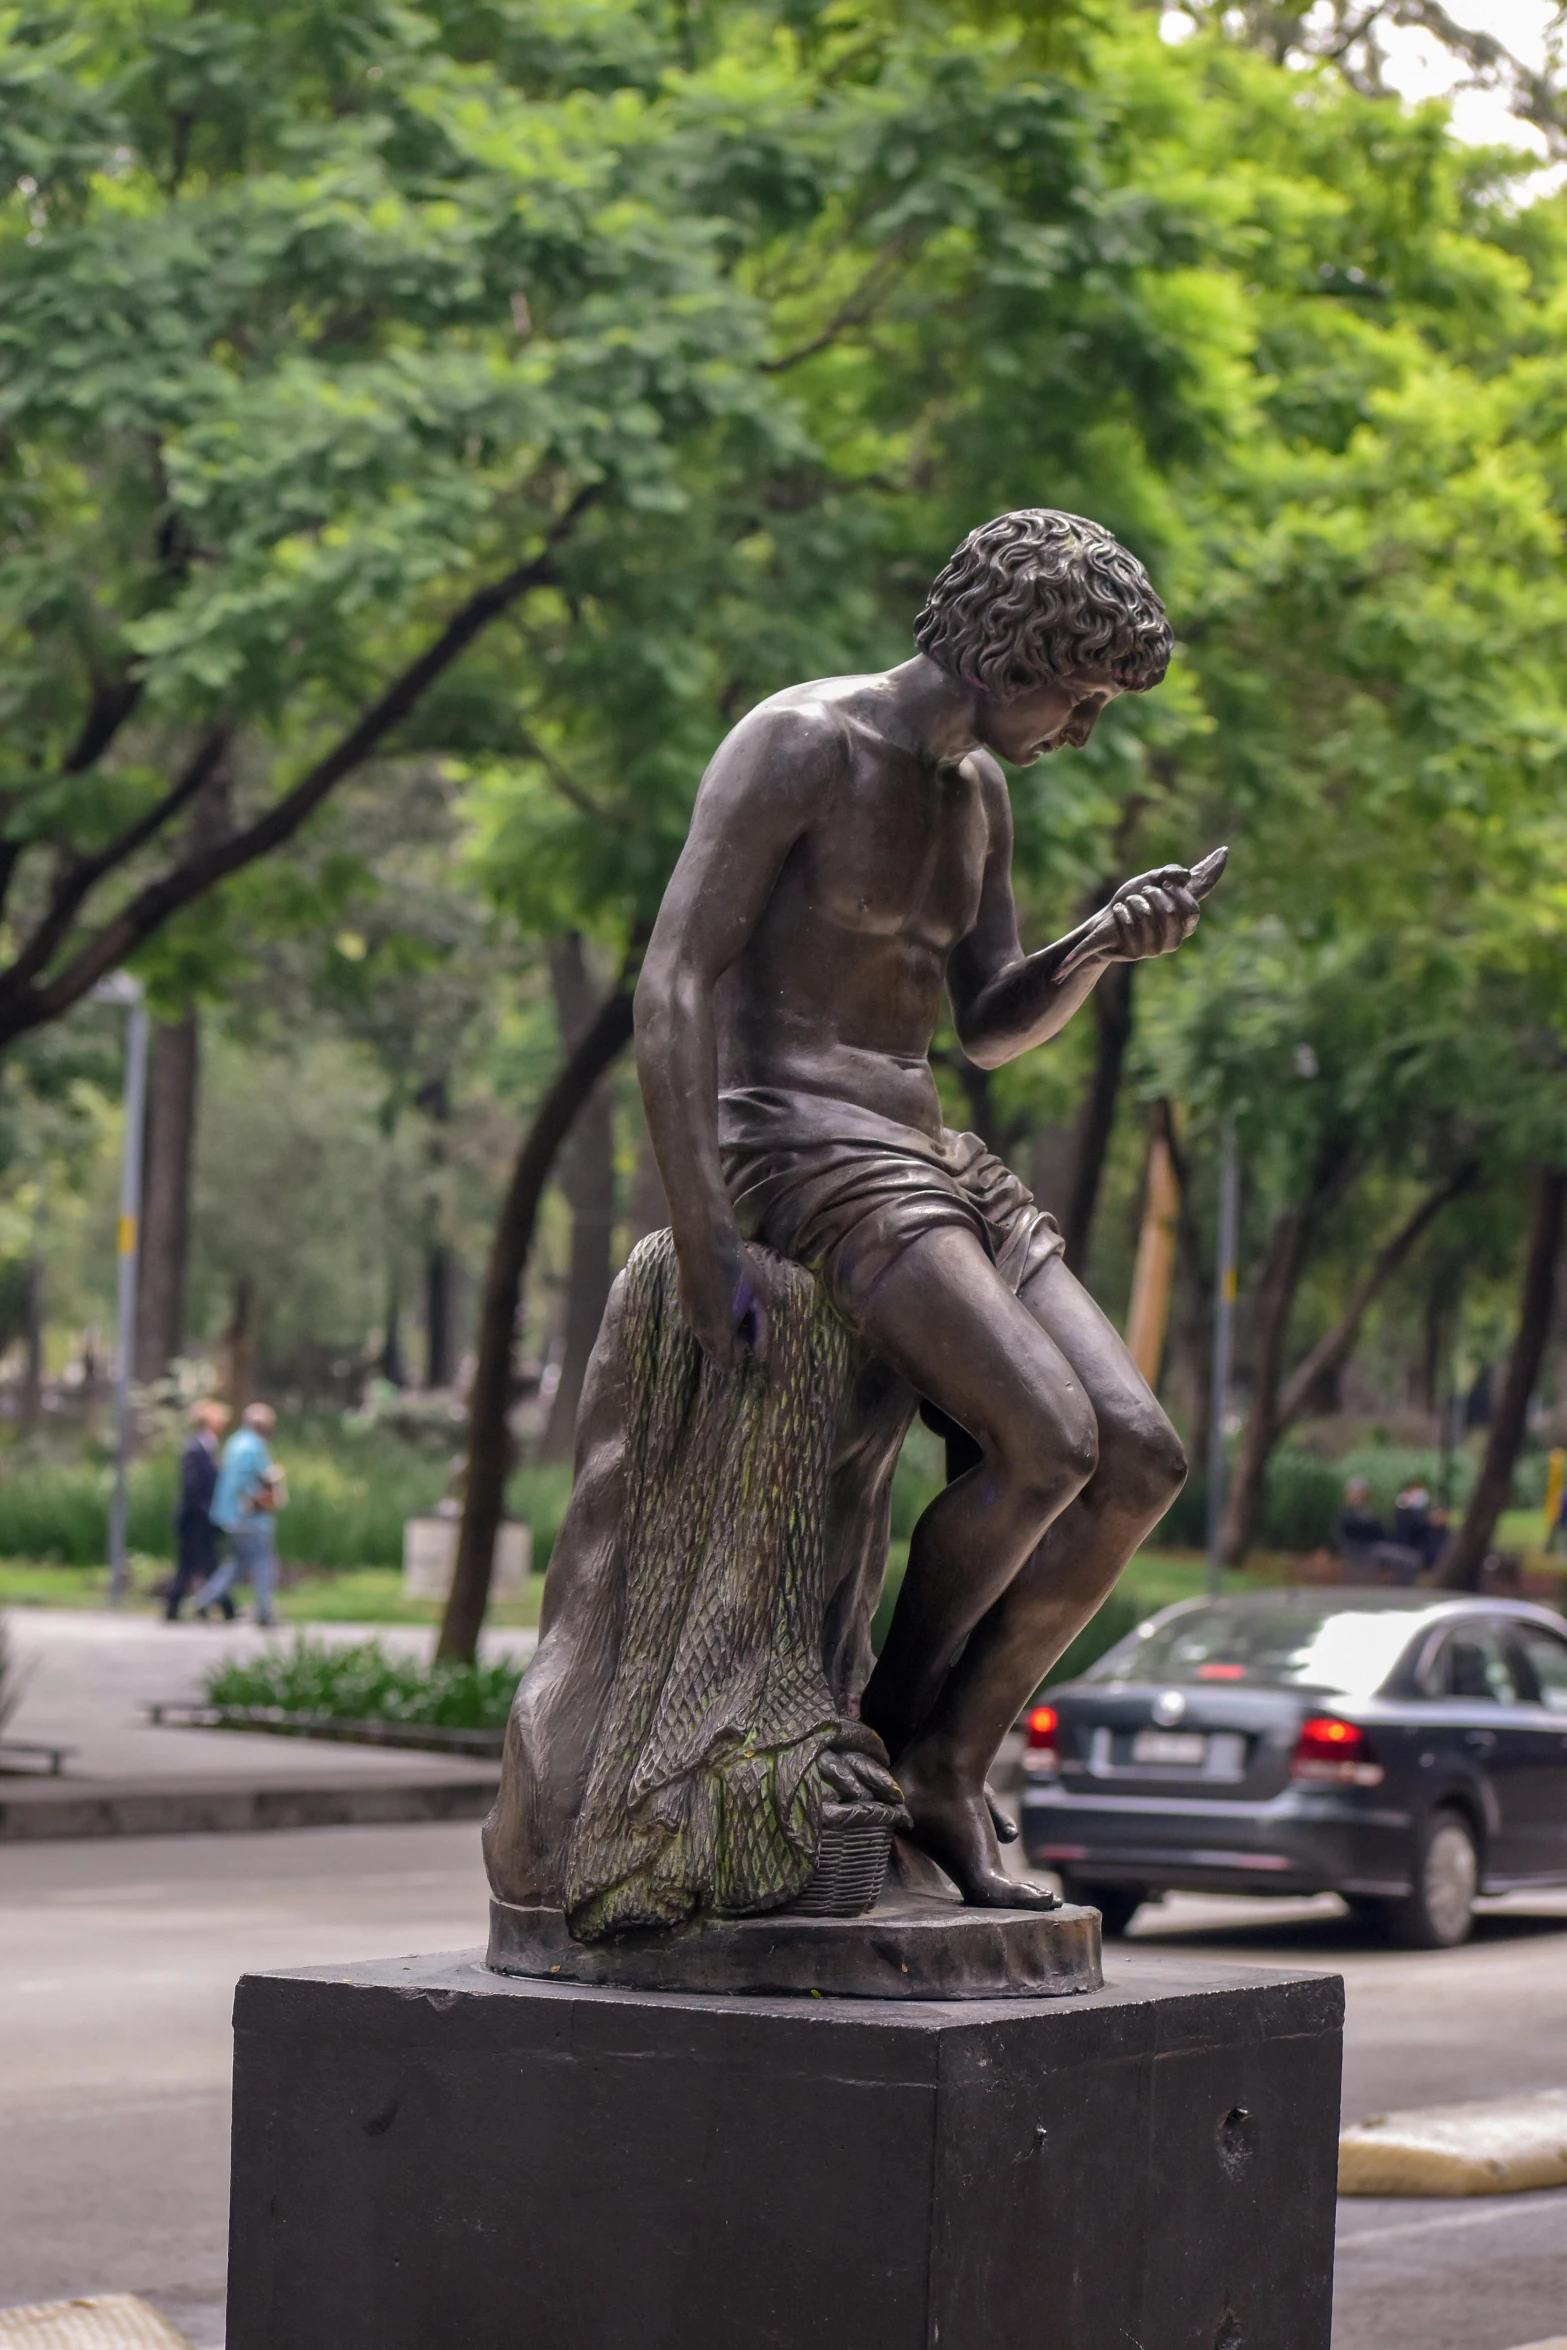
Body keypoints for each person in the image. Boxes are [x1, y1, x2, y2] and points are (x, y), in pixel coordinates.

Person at [631, 506, 1212, 1908]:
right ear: (1009, 650)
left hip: (924, 1144)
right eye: (1072, 695)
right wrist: (705, 1239)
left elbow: (990, 1025)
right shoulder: (799, 743)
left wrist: (1095, 944)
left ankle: (943, 1759)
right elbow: (673, 981)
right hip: (798, 1141)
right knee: (1042, 1437)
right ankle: (876, 1746)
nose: (1076, 729)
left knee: (1134, 1454)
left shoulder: (978, 797)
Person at [195, 1402, 283, 1626]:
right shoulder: (251, 1447)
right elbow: (245, 1481)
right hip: (248, 1518)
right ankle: (264, 1612)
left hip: (230, 1516)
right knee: (263, 1563)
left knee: (237, 1564)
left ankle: (204, 1600)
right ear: (261, 1425)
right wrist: (262, 1495)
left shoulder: (235, 1442)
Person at [165, 1400, 230, 1621]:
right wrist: (208, 1511)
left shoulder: (208, 1447)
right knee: (208, 1563)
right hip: (196, 1518)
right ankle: (226, 1606)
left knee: (190, 1564)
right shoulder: (195, 1448)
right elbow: (192, 1487)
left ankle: (173, 1608)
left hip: (200, 1517)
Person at [1337, 1476, 1384, 1582]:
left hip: (1374, 1546)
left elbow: (1379, 1530)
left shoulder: (1367, 1510)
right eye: (1357, 1492)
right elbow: (1352, 1530)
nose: (1359, 1495)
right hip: (1357, 1549)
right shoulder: (1346, 1511)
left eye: (1362, 1491)